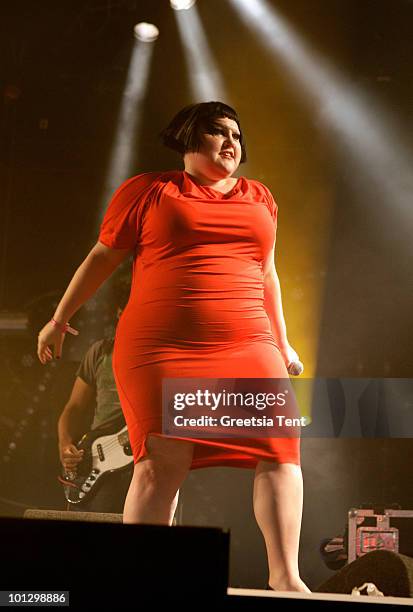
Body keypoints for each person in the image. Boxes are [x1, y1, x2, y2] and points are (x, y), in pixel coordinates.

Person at [37, 101, 309, 592]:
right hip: (162, 346)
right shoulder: (148, 190)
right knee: (161, 462)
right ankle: (142, 580)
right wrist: (60, 319)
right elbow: (101, 257)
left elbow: (267, 273)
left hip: (249, 343)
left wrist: (283, 344)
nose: (232, 143)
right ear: (188, 137)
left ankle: (286, 578)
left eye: (238, 135)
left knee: (281, 451)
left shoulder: (260, 197)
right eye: (218, 131)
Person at [58, 306, 133, 514]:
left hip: (140, 458)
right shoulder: (101, 351)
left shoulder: (162, 354)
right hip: (96, 451)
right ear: (119, 312)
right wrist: (65, 446)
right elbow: (73, 408)